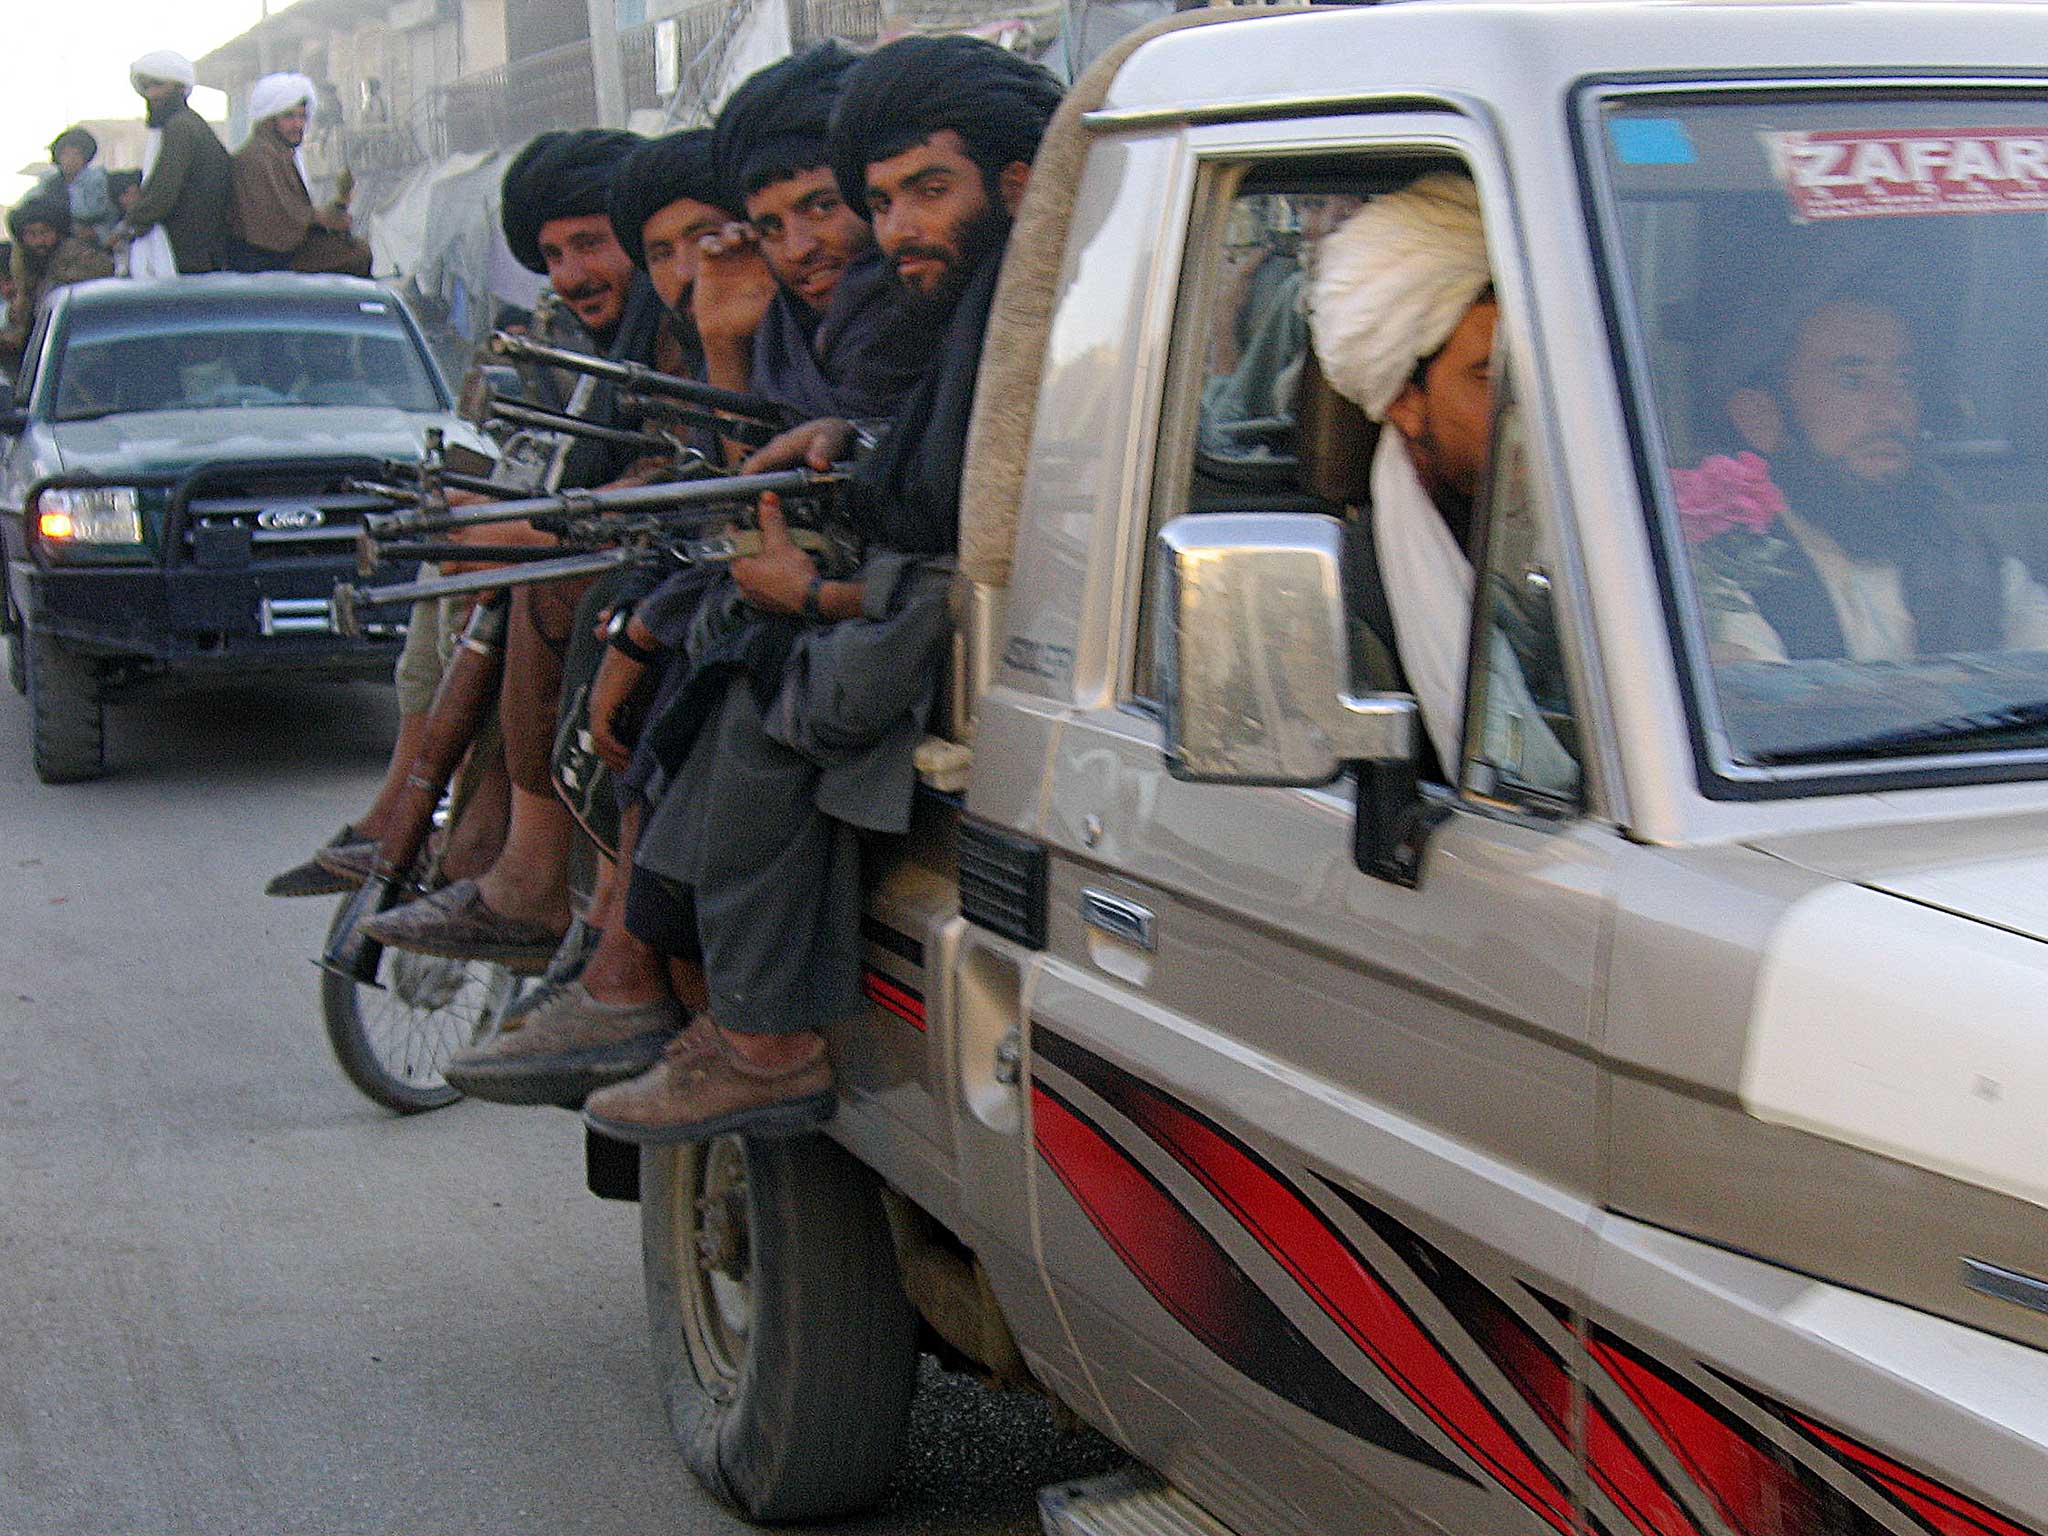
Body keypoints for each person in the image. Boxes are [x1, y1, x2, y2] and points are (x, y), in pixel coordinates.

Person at [572, 35, 1062, 1145]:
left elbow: (974, 560)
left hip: (946, 643)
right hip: (910, 610)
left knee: (753, 694)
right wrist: (854, 440)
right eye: (880, 200)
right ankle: (675, 994)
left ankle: (757, 1039)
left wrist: (813, 597)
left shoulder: (1020, 316)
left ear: (1020, 181)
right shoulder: (971, 303)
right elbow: (937, 470)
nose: (894, 231)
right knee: (712, 656)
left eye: (925, 192)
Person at [266, 131, 651, 906]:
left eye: (589, 245)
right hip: (599, 535)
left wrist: (511, 532)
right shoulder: (608, 344)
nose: (572, 275)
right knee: (454, 571)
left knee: (514, 594)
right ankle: (407, 813)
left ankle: (494, 846)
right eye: (553, 256)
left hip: (632, 571)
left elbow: (648, 490)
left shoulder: (665, 335)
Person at [1700, 286, 2048, 662]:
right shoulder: (1721, 567)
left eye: (1904, 382)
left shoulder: (1964, 550)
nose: (1891, 414)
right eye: (1852, 382)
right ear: (1761, 417)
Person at [228, 72, 371, 276]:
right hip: (266, 260)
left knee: (356, 248)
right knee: (356, 254)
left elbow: (294, 210)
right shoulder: (257, 158)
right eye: (288, 117)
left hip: (286, 251)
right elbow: (275, 224)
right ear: (269, 119)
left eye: (302, 116)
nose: (298, 125)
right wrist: (321, 219)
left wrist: (336, 207)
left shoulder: (279, 155)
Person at [125, 51, 234, 276]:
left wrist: (130, 222)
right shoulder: (183, 124)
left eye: (158, 85)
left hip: (188, 254)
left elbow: (163, 192)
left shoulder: (181, 127)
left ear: (180, 88)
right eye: (146, 87)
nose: (152, 94)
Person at [2, 192, 114, 363]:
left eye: (45, 232)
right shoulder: (24, 265)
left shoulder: (80, 258)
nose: (40, 241)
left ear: (58, 232)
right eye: (31, 234)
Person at [39, 128, 118, 249]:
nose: (71, 159)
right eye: (66, 154)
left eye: (76, 154)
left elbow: (111, 215)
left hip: (94, 247)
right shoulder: (48, 184)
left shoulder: (99, 182)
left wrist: (95, 232)